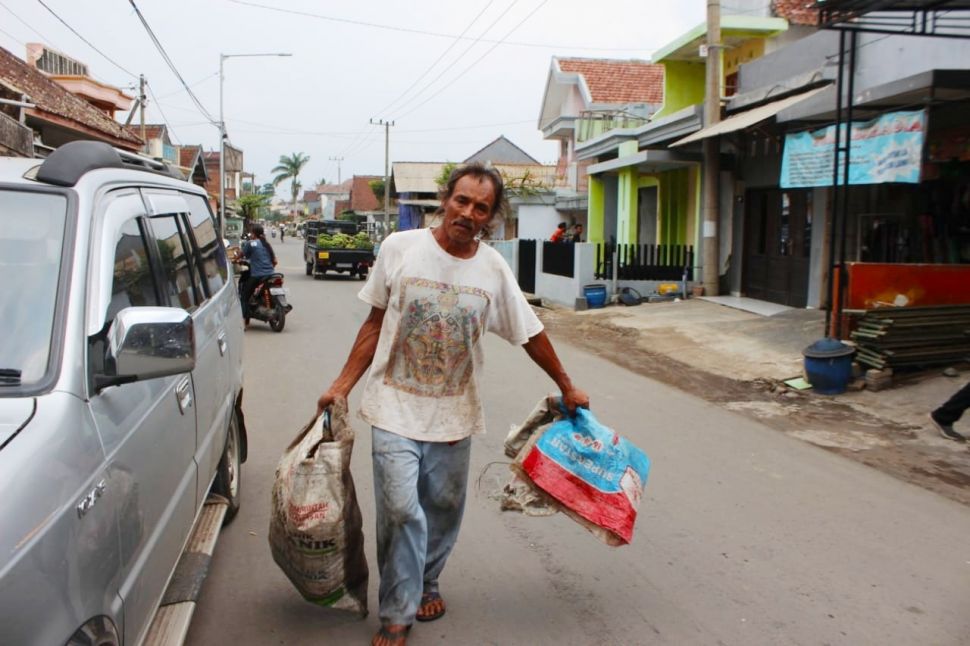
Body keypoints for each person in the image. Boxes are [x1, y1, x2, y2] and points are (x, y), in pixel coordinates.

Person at [316, 163, 589, 646]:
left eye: (480, 207)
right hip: (393, 405)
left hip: (454, 411)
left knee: (441, 508)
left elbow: (530, 333)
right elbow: (374, 323)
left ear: (490, 216)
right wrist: (341, 385)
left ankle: (428, 581)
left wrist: (566, 384)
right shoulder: (400, 249)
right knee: (400, 509)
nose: (468, 212)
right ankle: (397, 613)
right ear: (446, 199)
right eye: (462, 200)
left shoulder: (492, 269)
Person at [239, 224, 277, 326]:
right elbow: (275, 261)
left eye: (251, 232)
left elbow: (240, 255)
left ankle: (244, 321)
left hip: (257, 275)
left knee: (244, 296)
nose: (250, 234)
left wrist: (236, 258)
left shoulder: (250, 243)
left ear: (253, 233)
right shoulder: (266, 244)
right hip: (271, 274)